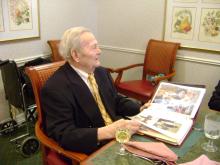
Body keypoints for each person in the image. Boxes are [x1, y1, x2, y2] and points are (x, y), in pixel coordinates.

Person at [41, 27, 142, 156]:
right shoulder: (55, 88)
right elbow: (64, 134)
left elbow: (115, 100)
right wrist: (107, 132)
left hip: (119, 136)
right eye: (94, 47)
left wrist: (141, 108)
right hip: (94, 147)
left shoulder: (101, 72)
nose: (99, 51)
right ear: (76, 55)